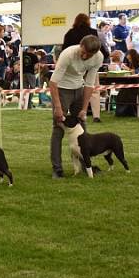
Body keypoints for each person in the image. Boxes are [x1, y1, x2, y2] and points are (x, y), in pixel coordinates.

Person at [49, 35, 103, 178]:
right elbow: (53, 83)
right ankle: (57, 169)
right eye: (83, 52)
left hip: (79, 88)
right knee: (58, 128)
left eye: (88, 55)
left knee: (83, 129)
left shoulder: (98, 58)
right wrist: (58, 107)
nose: (84, 56)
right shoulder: (67, 54)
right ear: (80, 45)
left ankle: (87, 165)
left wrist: (84, 109)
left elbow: (90, 84)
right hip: (61, 89)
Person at [63, 13, 108, 123]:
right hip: (91, 64)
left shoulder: (70, 33)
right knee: (94, 89)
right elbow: (101, 49)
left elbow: (64, 50)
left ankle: (69, 112)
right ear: (88, 21)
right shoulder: (93, 32)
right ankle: (96, 115)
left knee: (73, 89)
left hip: (74, 66)